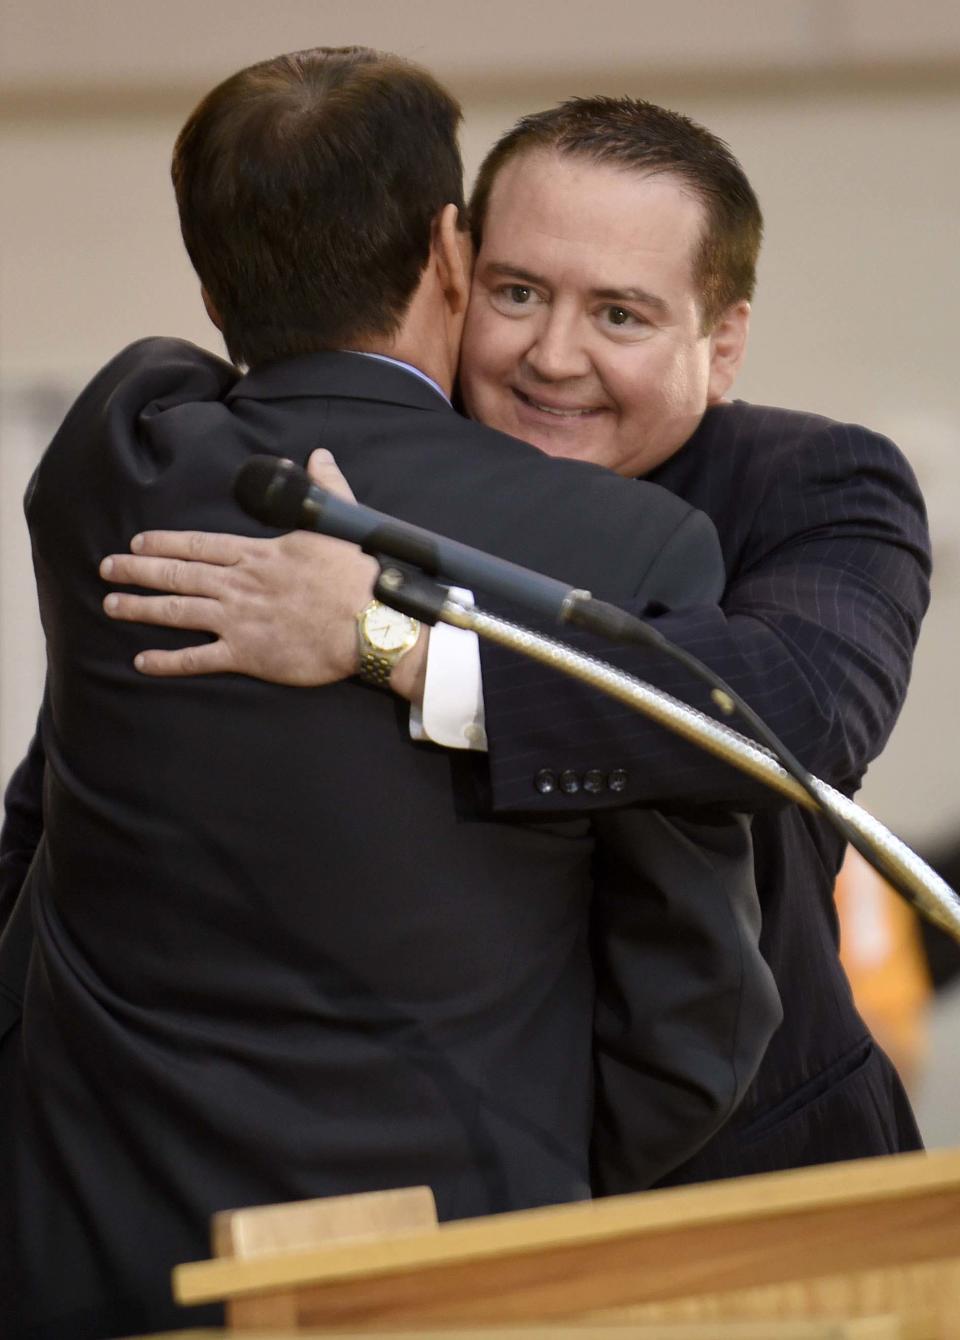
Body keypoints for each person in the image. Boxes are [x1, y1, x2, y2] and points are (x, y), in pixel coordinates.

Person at [0, 50, 779, 1340]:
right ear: (450, 250)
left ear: (207, 280)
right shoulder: (621, 547)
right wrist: (538, 1173)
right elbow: (690, 1007)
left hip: (91, 1249)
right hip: (451, 1265)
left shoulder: (112, 455)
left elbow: (169, 368)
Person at [86, 95, 931, 1180]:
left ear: (721, 345)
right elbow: (77, 791)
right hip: (431, 1168)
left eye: (619, 315)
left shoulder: (812, 479)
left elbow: (800, 708)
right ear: (452, 273)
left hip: (757, 1165)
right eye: (518, 293)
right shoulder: (361, 472)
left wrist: (392, 647)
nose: (552, 356)